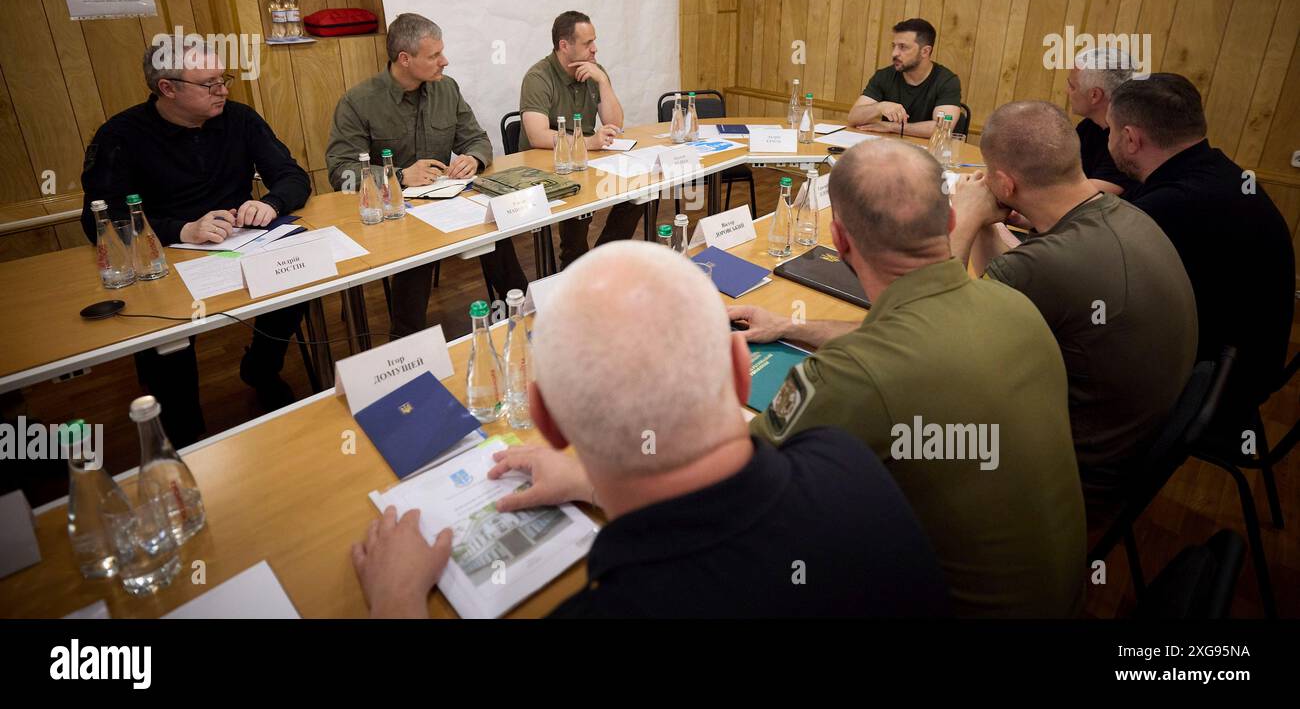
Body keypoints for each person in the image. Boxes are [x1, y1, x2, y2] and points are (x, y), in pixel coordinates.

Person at [352, 242, 948, 618]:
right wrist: (591, 479)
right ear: (742, 373)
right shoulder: (846, 462)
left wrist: (398, 599)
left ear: (546, 421)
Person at [730, 141, 1086, 618]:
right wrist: (791, 327)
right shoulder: (1014, 305)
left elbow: (731, 477)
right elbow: (900, 336)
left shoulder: (854, 374)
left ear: (839, 240)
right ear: (952, 222)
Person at [949, 101, 1197, 528]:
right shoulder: (1126, 215)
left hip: (1070, 484)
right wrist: (991, 220)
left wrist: (965, 218)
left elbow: (931, 331)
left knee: (901, 427)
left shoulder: (1046, 266)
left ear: (1004, 182)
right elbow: (1023, 272)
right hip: (1131, 450)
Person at [80, 40, 312, 445]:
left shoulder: (240, 119)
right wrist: (182, 230)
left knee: (301, 275)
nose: (223, 90)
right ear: (168, 88)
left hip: (240, 241)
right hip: (162, 255)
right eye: (209, 84)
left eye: (224, 80)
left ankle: (261, 368)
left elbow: (293, 176)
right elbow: (99, 218)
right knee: (166, 337)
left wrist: (271, 204)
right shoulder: (121, 135)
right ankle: (183, 435)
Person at [1108, 73, 1295, 433]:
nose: (1109, 140)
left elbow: (1091, 277)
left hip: (1214, 388)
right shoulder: (1215, 172)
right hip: (1244, 361)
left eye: (1111, 132)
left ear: (1130, 138)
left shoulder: (1174, 204)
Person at [325, 13, 527, 336]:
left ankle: (520, 315)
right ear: (404, 59)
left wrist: (473, 159)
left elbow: (477, 139)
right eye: (434, 56)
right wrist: (400, 176)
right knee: (416, 254)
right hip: (394, 213)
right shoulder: (359, 102)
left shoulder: (447, 90)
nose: (444, 61)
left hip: (446, 202)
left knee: (495, 225)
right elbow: (341, 171)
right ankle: (406, 345)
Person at [518, 11, 644, 268]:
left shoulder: (593, 71)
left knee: (640, 190)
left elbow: (615, 125)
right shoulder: (538, 77)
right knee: (579, 207)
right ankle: (573, 264)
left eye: (594, 41)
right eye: (588, 43)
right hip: (547, 166)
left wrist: (603, 81)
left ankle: (599, 262)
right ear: (564, 46)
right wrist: (588, 143)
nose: (595, 49)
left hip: (585, 161)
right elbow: (537, 135)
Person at [846, 18, 962, 138]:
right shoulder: (884, 76)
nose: (894, 53)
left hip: (926, 151)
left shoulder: (947, 81)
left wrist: (891, 127)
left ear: (925, 51)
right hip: (888, 147)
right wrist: (879, 107)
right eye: (894, 46)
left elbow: (942, 128)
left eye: (903, 47)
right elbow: (853, 118)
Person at [1066, 46, 1138, 196]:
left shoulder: (1127, 140)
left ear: (1095, 95)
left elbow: (1085, 197)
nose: (1067, 91)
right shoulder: (1089, 126)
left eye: (1072, 86)